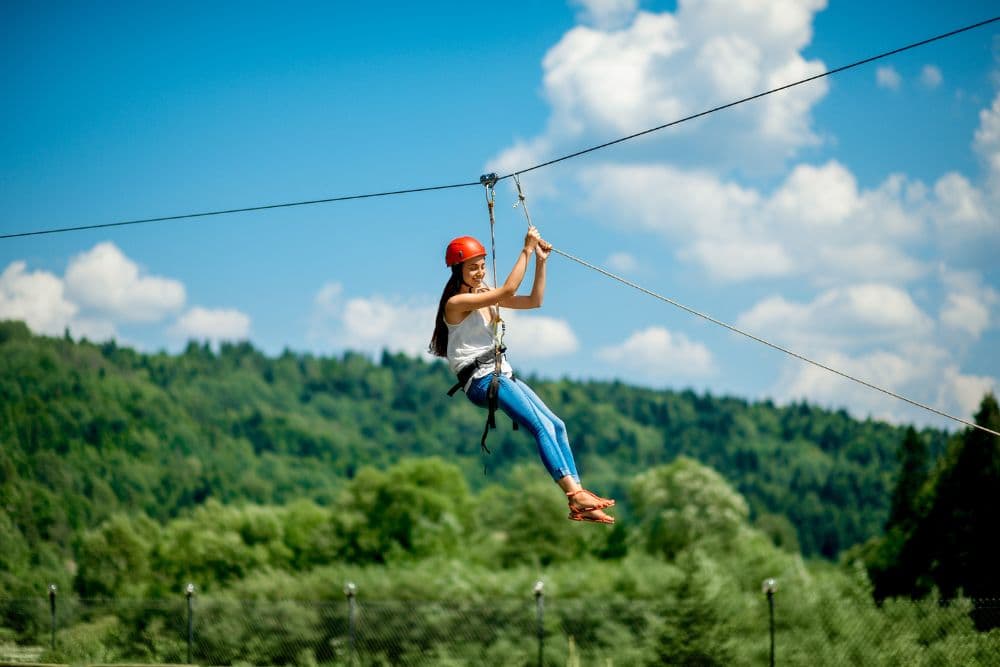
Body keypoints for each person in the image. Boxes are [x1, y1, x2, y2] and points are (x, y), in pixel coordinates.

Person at [429, 226, 615, 524]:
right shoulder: (456, 304)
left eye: (481, 266)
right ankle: (573, 495)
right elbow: (508, 291)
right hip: (482, 380)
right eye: (472, 268)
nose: (479, 273)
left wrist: (540, 261)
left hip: (501, 373)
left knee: (556, 425)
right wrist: (526, 249)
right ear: (457, 270)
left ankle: (580, 496)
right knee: (540, 427)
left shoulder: (484, 294)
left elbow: (533, 301)